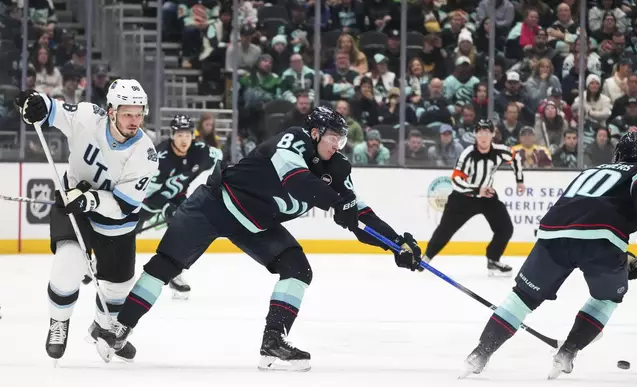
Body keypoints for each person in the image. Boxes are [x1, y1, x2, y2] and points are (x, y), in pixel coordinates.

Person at [94, 106, 423, 371]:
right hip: (215, 203)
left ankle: (273, 342)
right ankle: (118, 330)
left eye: (341, 139)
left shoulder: (336, 168)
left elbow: (360, 214)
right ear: (315, 132)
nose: (337, 145)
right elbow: (297, 182)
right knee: (165, 265)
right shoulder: (293, 141)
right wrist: (339, 204)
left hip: (254, 223)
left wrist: (395, 244)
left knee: (298, 268)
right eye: (333, 137)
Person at [461, 131, 637, 379]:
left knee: (522, 298)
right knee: (607, 298)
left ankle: (479, 354)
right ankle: (567, 353)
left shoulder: (593, 170)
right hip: (601, 239)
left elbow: (583, 206)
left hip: (552, 233)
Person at [15, 79, 158, 362]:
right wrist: (36, 104)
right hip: (74, 206)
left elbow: (122, 206)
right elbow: (51, 110)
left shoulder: (146, 154)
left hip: (116, 223)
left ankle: (102, 328)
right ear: (111, 111)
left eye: (139, 113)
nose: (134, 120)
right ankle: (59, 321)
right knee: (68, 262)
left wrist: (89, 198)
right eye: (128, 113)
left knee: (118, 287)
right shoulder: (86, 117)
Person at [422, 118, 525, 276]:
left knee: (505, 228)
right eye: (480, 132)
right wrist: (478, 190)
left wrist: (519, 181)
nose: (483, 136)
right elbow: (456, 181)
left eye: (487, 132)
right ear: (475, 135)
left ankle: (493, 260)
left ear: (493, 134)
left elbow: (515, 158)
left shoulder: (499, 151)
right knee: (445, 229)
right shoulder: (467, 154)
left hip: (487, 197)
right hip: (463, 198)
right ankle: (426, 258)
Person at [138, 114, 223, 299]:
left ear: (193, 135)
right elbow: (147, 192)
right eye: (179, 135)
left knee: (182, 232)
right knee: (128, 230)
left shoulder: (200, 151)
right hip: (149, 198)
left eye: (187, 135)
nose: (184, 139)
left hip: (177, 196)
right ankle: (100, 261)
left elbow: (219, 158)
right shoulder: (160, 159)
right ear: (172, 135)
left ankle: (174, 273)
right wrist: (165, 208)